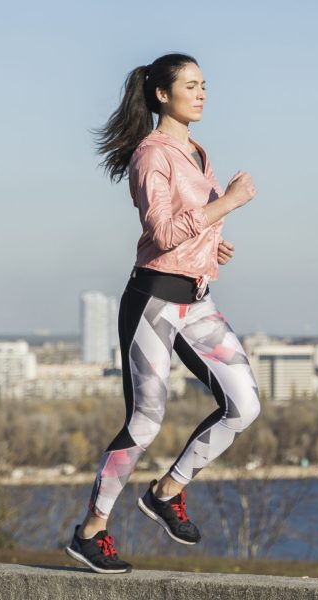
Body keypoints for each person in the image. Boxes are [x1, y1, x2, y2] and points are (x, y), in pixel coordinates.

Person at [64, 52, 261, 574]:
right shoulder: (151, 155)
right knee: (146, 421)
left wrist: (212, 246)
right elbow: (161, 232)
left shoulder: (196, 151)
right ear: (161, 95)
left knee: (244, 404)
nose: (201, 93)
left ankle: (167, 492)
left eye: (204, 85)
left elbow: (188, 231)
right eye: (191, 85)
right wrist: (229, 204)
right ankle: (91, 532)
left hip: (196, 301)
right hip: (152, 301)